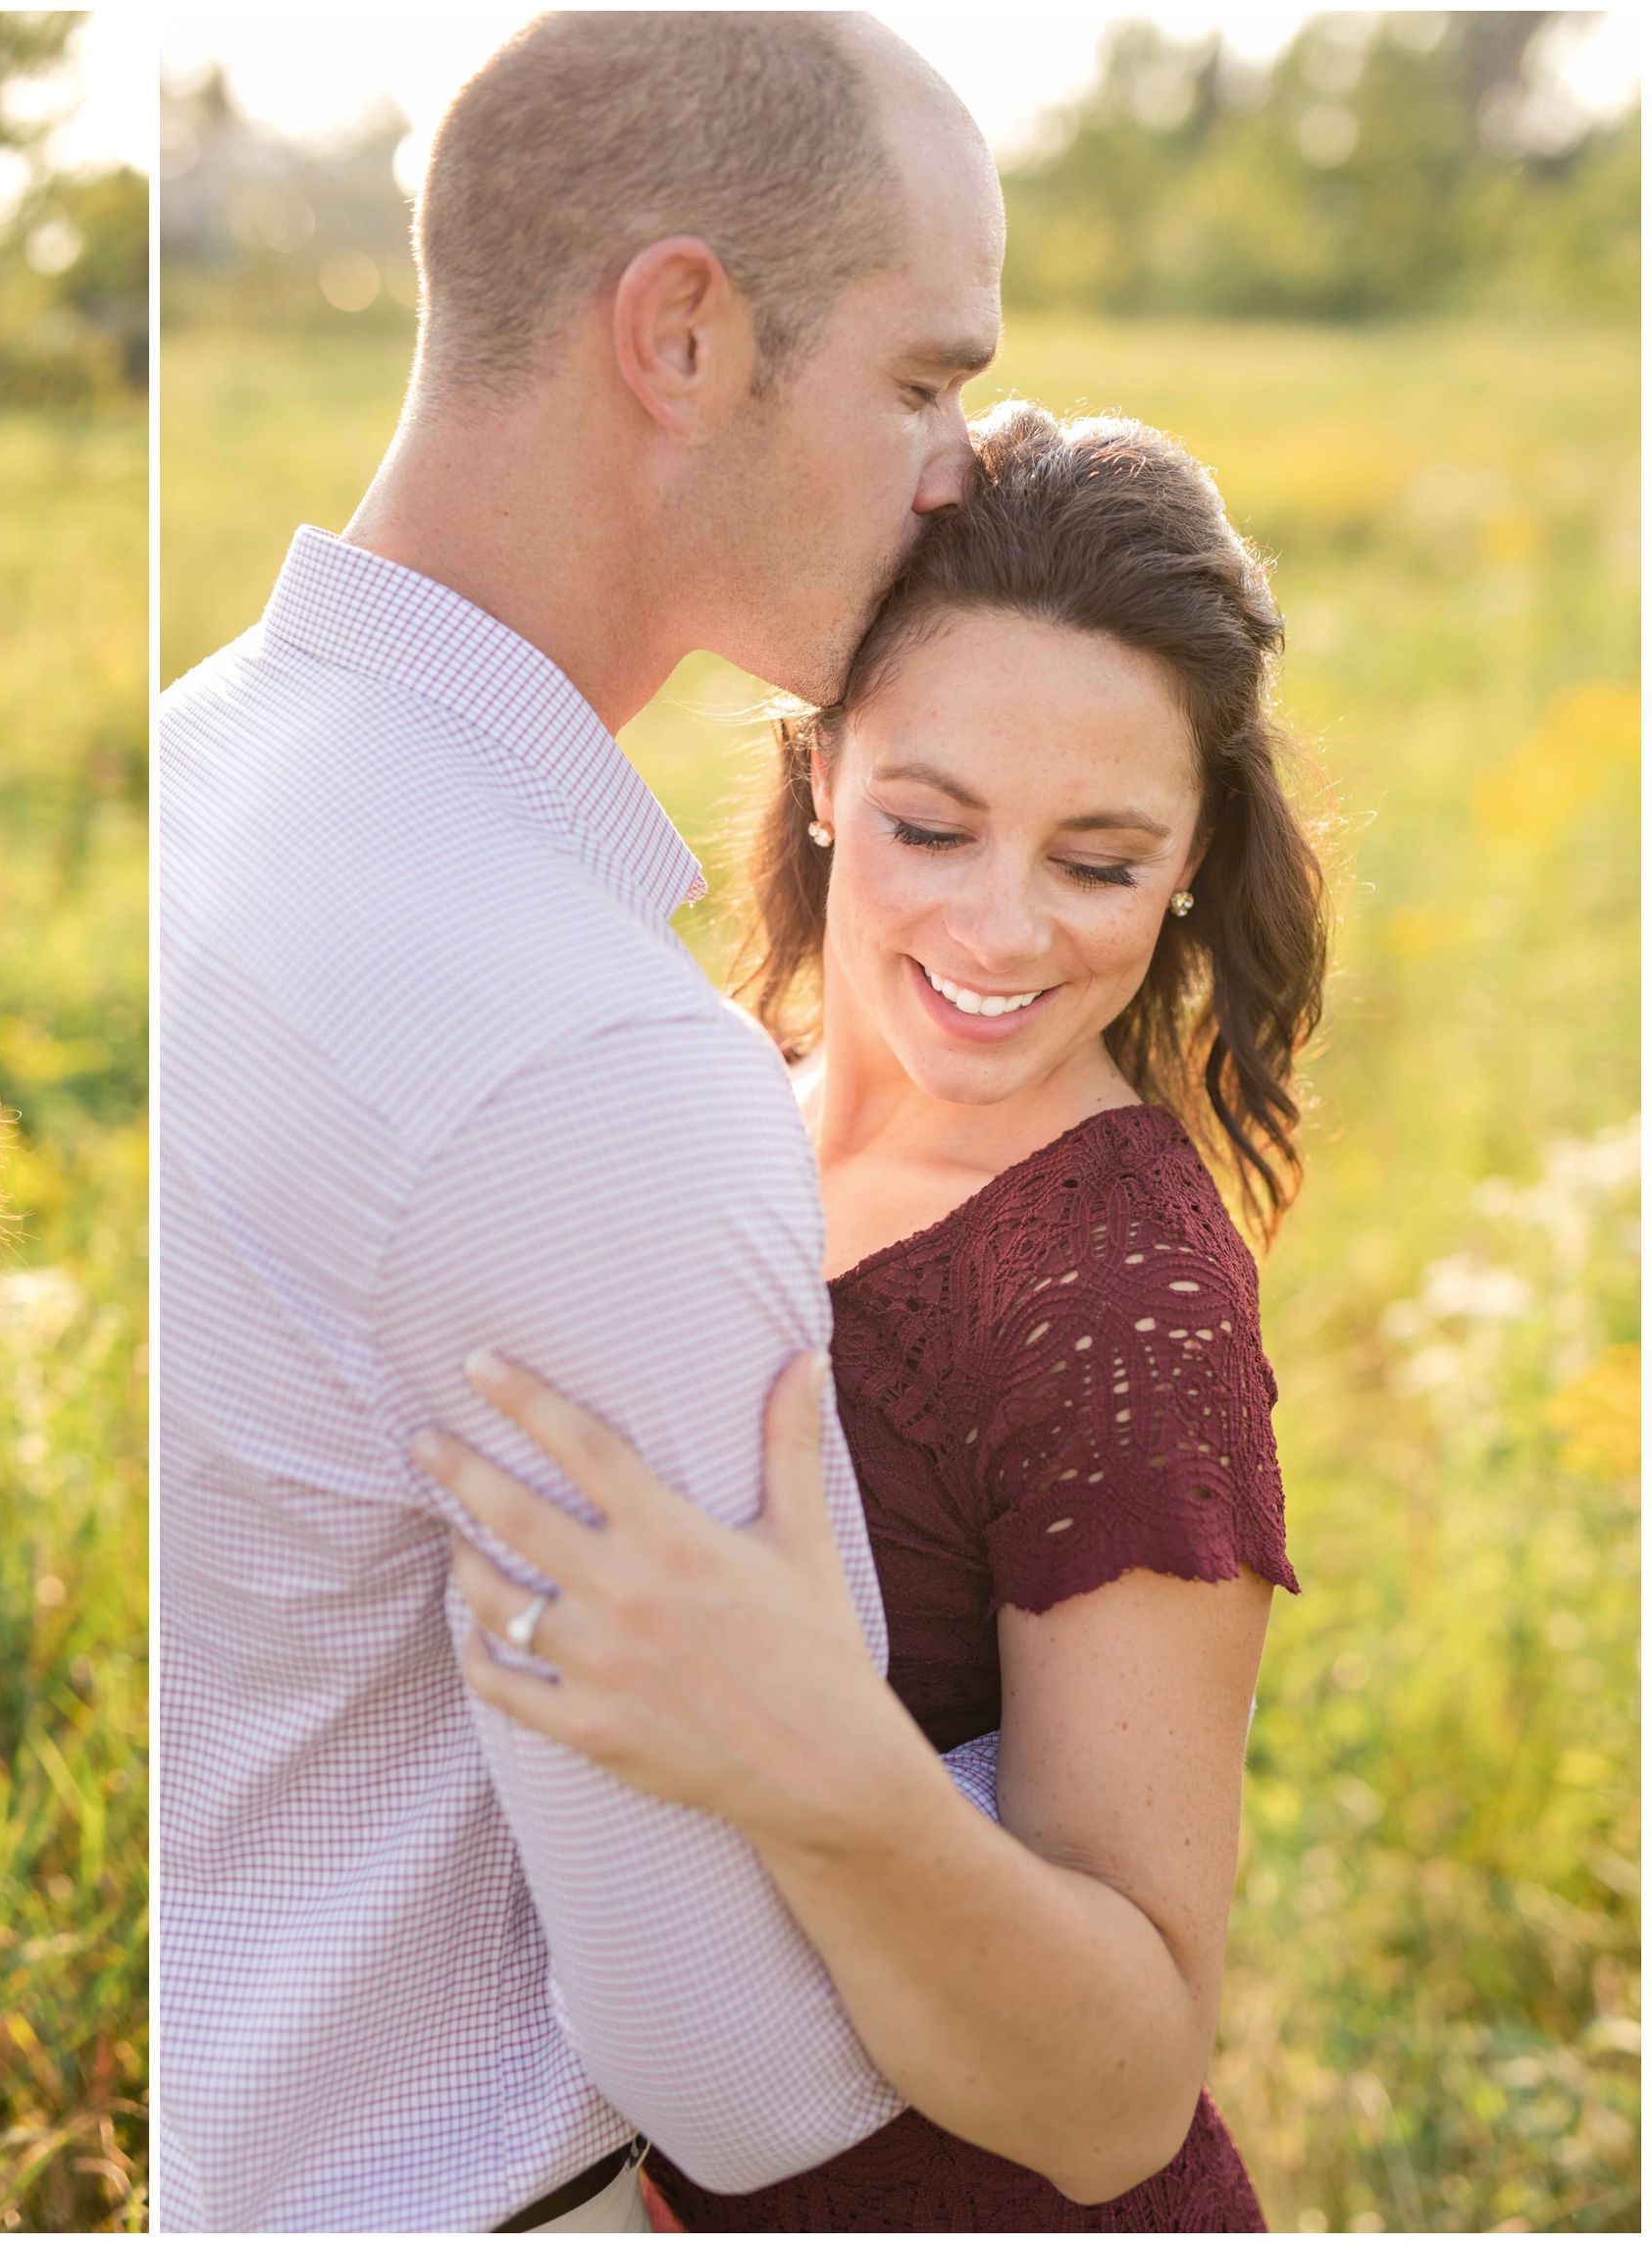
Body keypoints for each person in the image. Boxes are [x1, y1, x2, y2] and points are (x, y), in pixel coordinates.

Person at [158, 13, 1007, 2228]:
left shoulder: (206, 762)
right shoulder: (582, 1058)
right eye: (925, 381)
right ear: (686, 333)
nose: (961, 471)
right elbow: (747, 2079)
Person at [429, 401, 1326, 2227]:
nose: (998, 936)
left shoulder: (1114, 1289)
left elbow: (1123, 2095)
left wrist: (821, 1757)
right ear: (824, 767)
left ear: (1188, 856)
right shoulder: (705, 1099)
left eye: (1096, 863)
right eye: (932, 824)